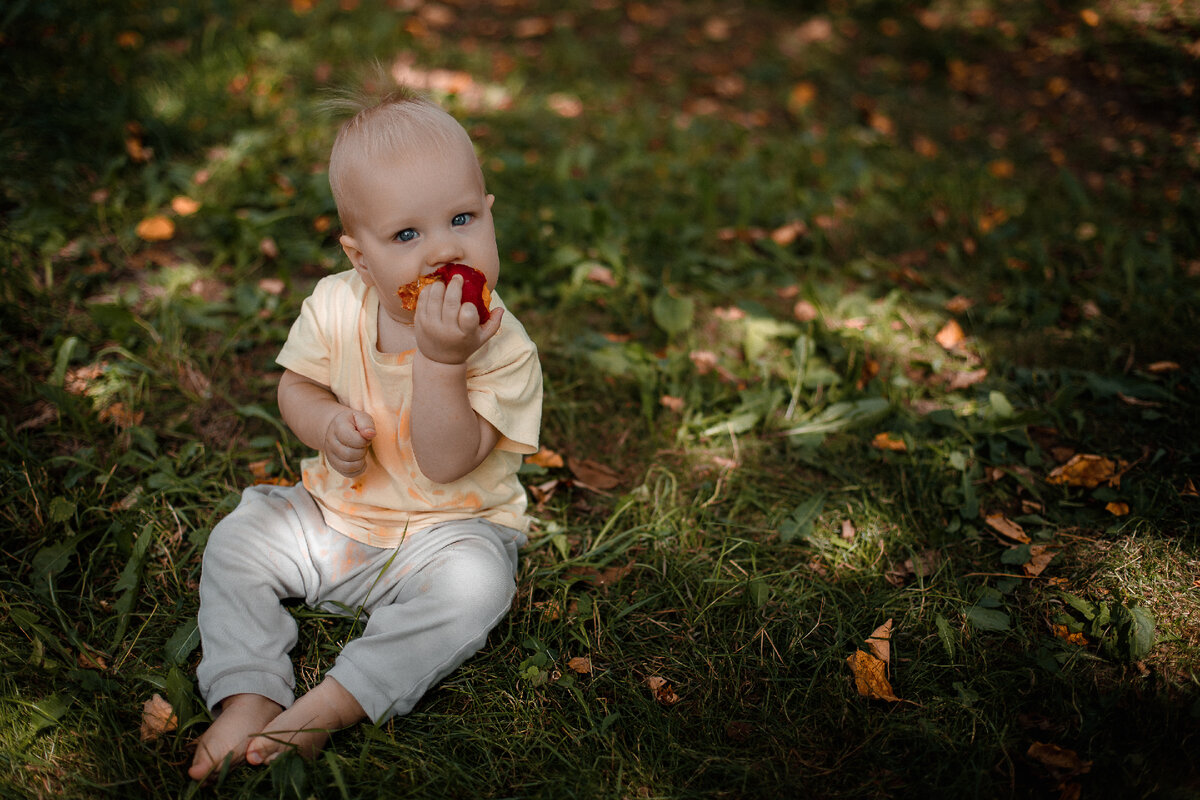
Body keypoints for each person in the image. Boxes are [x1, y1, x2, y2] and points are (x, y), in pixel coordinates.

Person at [187, 87, 542, 781]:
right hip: (333, 516)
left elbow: (448, 464)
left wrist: (442, 362)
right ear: (360, 257)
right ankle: (248, 693)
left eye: (462, 219)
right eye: (407, 235)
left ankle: (333, 704)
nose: (443, 249)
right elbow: (297, 385)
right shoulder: (334, 306)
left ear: (490, 217)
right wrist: (323, 424)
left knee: (479, 587)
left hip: (448, 532)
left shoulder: (502, 346)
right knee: (239, 537)